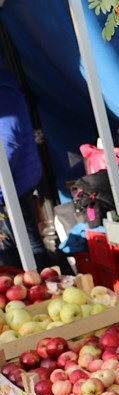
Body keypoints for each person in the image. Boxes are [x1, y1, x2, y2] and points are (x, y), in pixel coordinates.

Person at [0, 67, 52, 270]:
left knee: (29, 247)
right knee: (14, 246)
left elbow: (8, 143)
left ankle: (45, 288)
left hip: (12, 186)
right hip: (11, 184)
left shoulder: (3, 91)